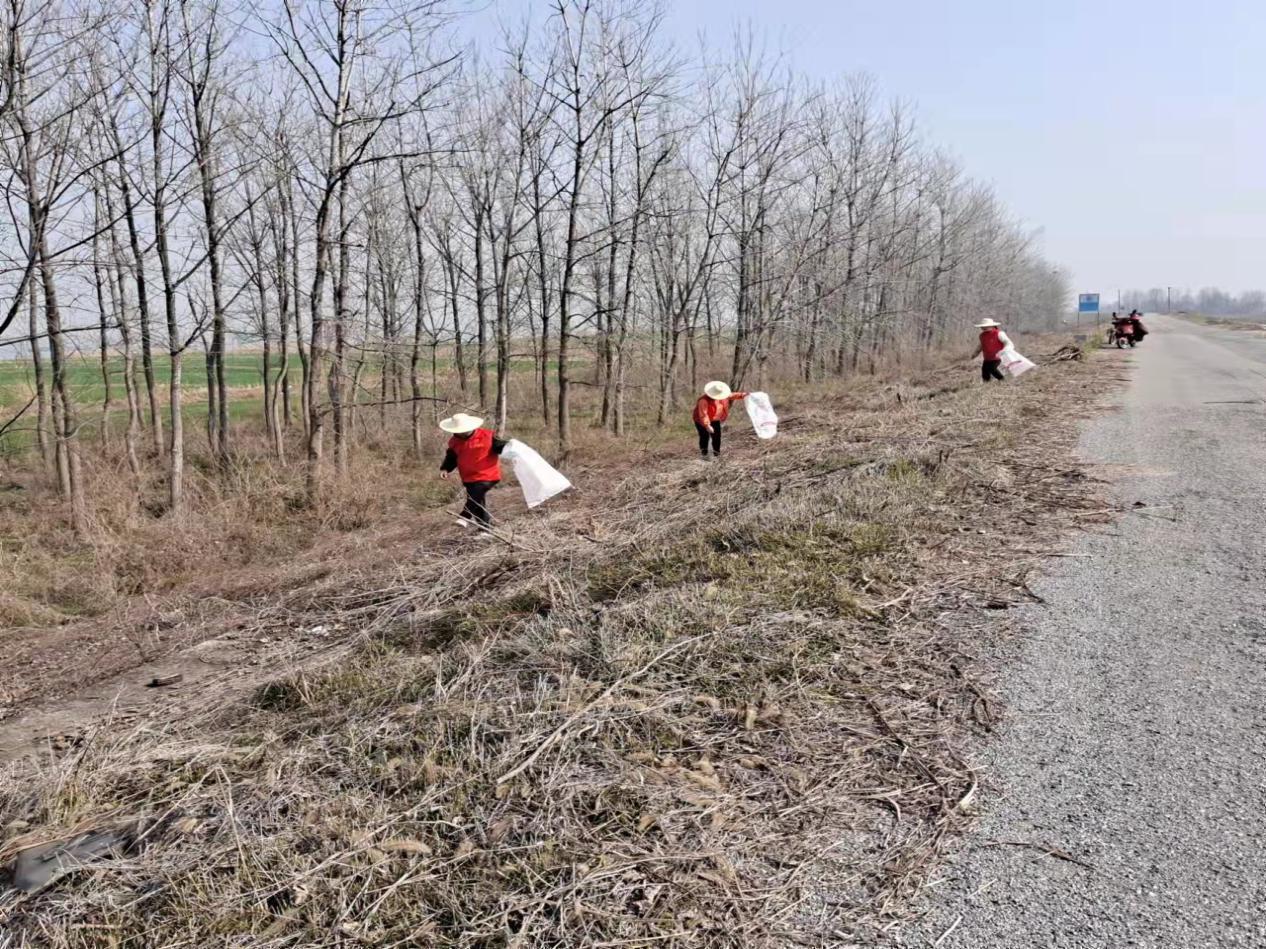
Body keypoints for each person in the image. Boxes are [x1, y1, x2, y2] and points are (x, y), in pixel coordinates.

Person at [438, 413, 506, 530]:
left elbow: (500, 447)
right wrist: (445, 468)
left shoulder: (487, 436)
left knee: (475, 496)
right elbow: (451, 457)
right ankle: (485, 529)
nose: (462, 433)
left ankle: (465, 516)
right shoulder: (454, 442)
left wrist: (510, 446)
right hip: (468, 477)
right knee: (478, 503)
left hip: (488, 475)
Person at [693, 381, 748, 458]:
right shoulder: (703, 400)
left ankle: (717, 455)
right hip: (701, 420)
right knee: (704, 436)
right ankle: (704, 454)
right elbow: (703, 415)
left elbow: (732, 395)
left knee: (717, 437)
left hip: (715, 419)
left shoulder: (723, 395)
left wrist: (743, 395)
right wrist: (707, 425)